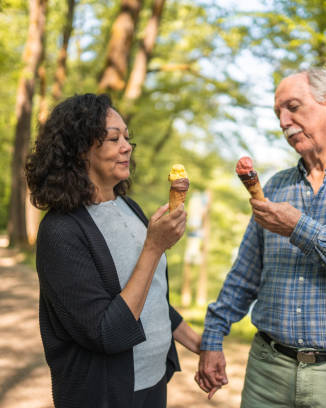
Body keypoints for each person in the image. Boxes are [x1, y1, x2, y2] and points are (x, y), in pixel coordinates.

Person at [196, 67, 326, 407]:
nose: (283, 120)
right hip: (267, 372)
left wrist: (300, 228)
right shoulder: (276, 186)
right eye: (278, 112)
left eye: (293, 107)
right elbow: (246, 273)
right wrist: (212, 335)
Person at [25, 93, 201, 408]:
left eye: (127, 137)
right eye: (113, 138)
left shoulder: (129, 208)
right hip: (105, 394)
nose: (127, 146)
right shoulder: (60, 231)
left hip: (153, 381)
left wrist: (200, 344)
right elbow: (107, 333)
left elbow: (150, 295)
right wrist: (153, 247)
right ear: (81, 151)